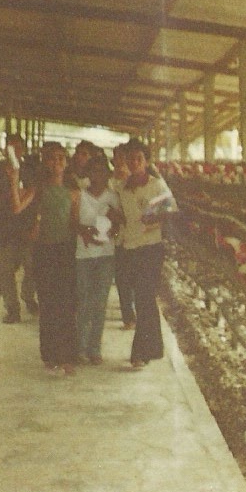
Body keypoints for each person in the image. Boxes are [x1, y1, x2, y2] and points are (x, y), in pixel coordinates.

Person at [11, 141, 80, 375]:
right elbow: (17, 207)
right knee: (49, 304)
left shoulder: (73, 192)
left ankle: (68, 356)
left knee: (67, 305)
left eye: (60, 158)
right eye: (51, 158)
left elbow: (75, 223)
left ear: (66, 163)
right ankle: (51, 355)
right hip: (44, 251)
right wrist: (14, 179)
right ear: (45, 163)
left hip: (66, 251)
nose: (56, 162)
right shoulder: (38, 189)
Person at [116, 138, 177, 369]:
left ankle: (140, 351)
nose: (134, 163)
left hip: (151, 247)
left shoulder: (156, 185)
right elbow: (121, 215)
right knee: (143, 299)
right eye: (130, 159)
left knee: (144, 297)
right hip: (129, 247)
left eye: (139, 159)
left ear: (146, 161)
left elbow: (170, 210)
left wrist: (154, 218)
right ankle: (152, 348)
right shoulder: (122, 187)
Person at [73, 153, 122, 365]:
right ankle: (80, 347)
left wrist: (113, 229)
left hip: (105, 255)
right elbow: (72, 221)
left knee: (100, 302)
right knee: (84, 301)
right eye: (94, 171)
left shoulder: (112, 197)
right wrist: (85, 231)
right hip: (83, 255)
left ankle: (95, 348)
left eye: (102, 171)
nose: (98, 175)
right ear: (88, 174)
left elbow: (119, 224)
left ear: (107, 175)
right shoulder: (80, 195)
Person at [0, 133, 39, 323]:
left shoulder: (29, 171)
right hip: (6, 230)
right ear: (5, 150)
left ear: (23, 150)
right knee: (5, 270)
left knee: (31, 267)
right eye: (10, 148)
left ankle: (28, 295)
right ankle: (12, 309)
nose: (14, 152)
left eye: (18, 148)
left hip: (27, 227)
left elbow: (32, 196)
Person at [109, 143, 136, 330]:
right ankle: (129, 317)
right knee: (122, 277)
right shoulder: (110, 183)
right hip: (116, 236)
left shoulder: (136, 183)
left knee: (132, 277)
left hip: (135, 237)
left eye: (123, 158)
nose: (120, 162)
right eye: (117, 158)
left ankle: (131, 310)